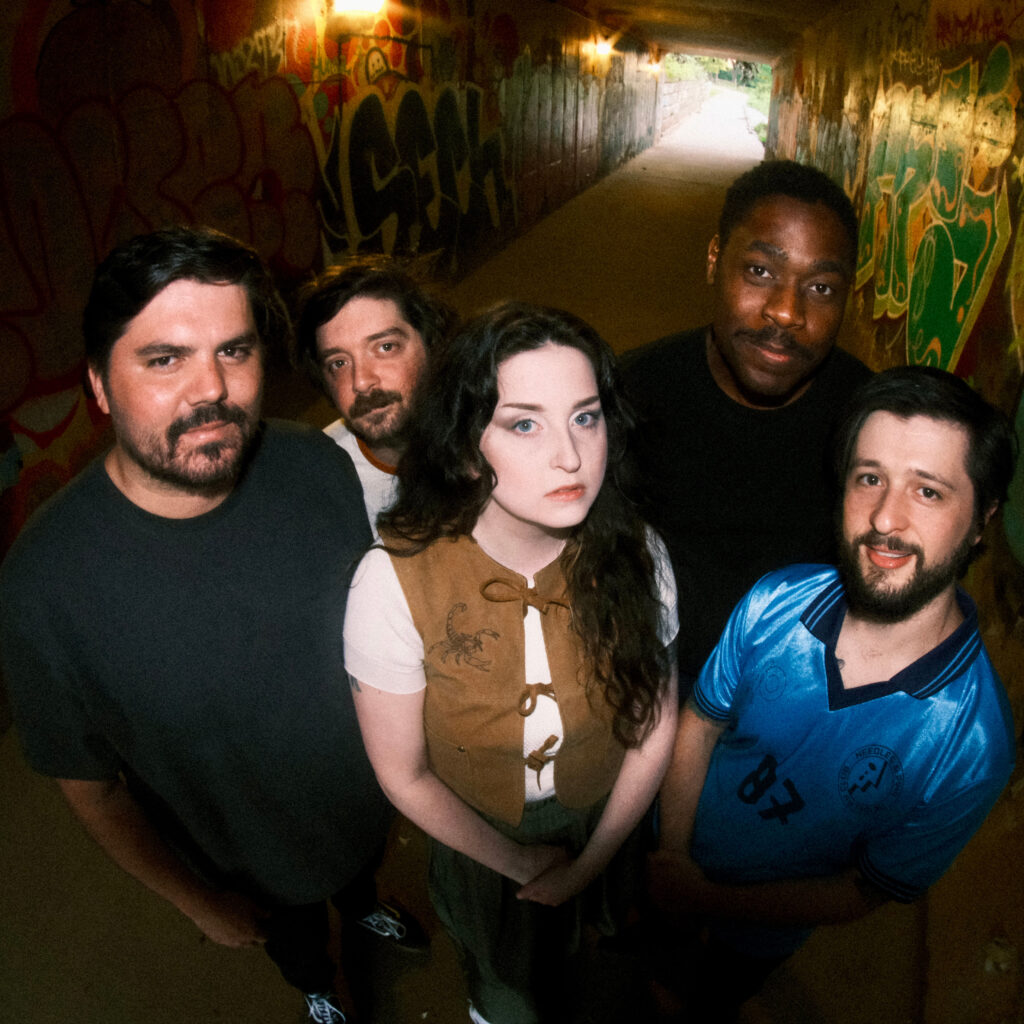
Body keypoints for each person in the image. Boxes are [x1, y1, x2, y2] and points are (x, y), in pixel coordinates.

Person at [0, 227, 401, 1024]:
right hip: (241, 856)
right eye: (164, 359)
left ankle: (361, 906)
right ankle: (321, 986)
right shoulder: (44, 584)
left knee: (358, 876)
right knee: (300, 945)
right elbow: (93, 788)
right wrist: (194, 902)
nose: (210, 390)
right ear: (100, 385)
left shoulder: (319, 468)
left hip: (365, 803)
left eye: (234, 351)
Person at [343, 302, 680, 1024]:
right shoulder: (393, 583)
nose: (569, 455)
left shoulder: (638, 553)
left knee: (599, 968)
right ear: (468, 446)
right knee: (506, 993)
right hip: (479, 840)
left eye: (585, 417)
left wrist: (589, 864)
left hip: (604, 823)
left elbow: (655, 723)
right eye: (524, 423)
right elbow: (404, 772)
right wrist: (522, 866)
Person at [648, 366, 1018, 1022]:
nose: (884, 518)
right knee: (656, 963)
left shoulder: (973, 745)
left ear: (982, 521)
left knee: (714, 995)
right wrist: (673, 857)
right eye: (869, 477)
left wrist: (705, 899)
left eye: (928, 492)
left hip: (763, 926)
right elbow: (701, 723)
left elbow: (860, 891)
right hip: (671, 855)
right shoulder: (776, 601)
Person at [622, 159, 873, 696]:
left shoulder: (870, 425)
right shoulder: (629, 394)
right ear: (715, 259)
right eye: (761, 271)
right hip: (649, 677)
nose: (786, 312)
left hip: (798, 695)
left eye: (822, 288)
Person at [294, 258, 458, 528]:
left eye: (385, 347)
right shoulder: (318, 485)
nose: (361, 381)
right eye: (339, 363)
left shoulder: (492, 431)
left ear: (432, 343)